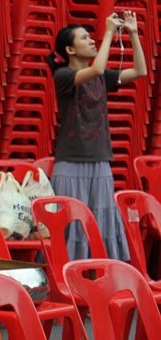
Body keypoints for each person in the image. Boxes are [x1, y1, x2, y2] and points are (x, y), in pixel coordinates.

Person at [46, 10, 147, 260]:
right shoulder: (64, 76)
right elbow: (97, 68)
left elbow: (140, 72)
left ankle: (99, 279)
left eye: (92, 37)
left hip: (100, 160)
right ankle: (66, 281)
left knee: (101, 225)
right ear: (70, 50)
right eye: (85, 38)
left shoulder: (102, 77)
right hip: (71, 163)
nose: (92, 41)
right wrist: (109, 32)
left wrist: (133, 33)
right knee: (71, 225)